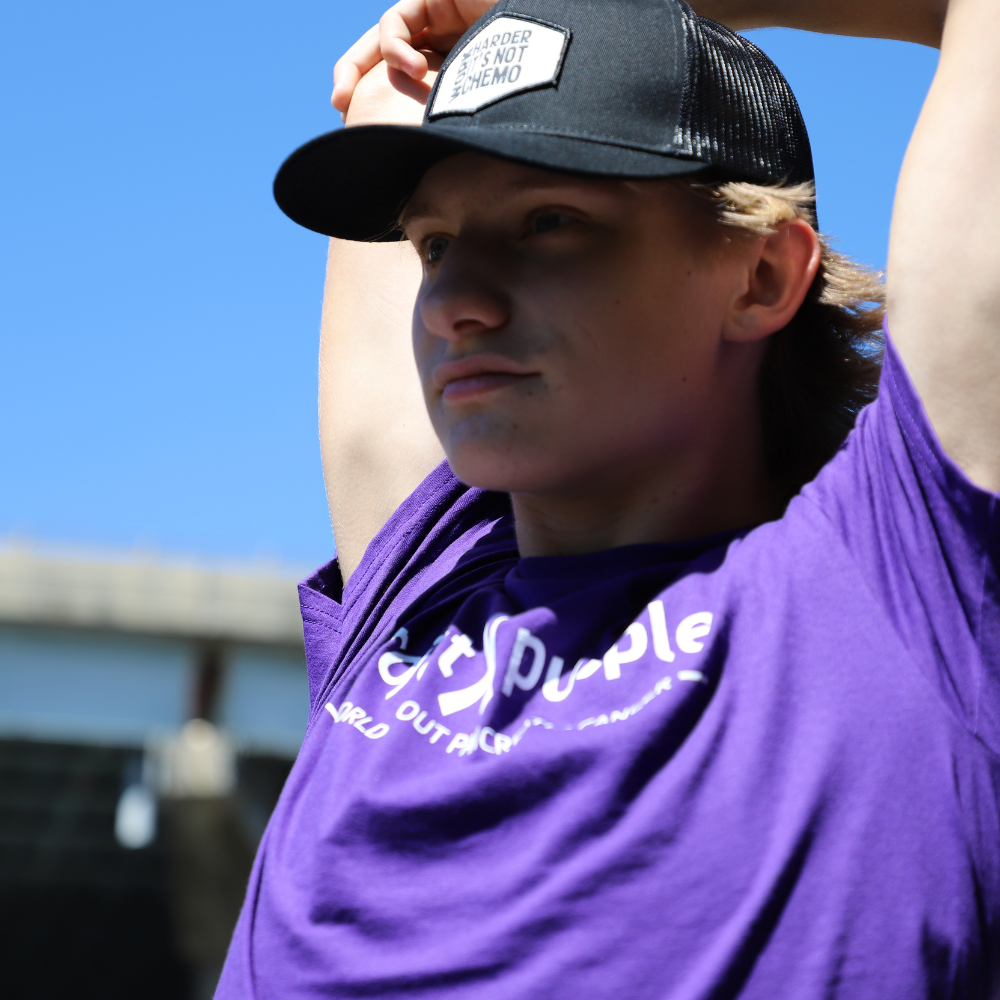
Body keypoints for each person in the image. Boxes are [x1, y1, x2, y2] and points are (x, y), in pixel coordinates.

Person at [217, 0, 1000, 995]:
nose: (458, 302)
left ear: (760, 273)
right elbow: (397, 90)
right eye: (434, 247)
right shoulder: (415, 593)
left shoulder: (908, 581)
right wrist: (474, 44)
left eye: (551, 222)